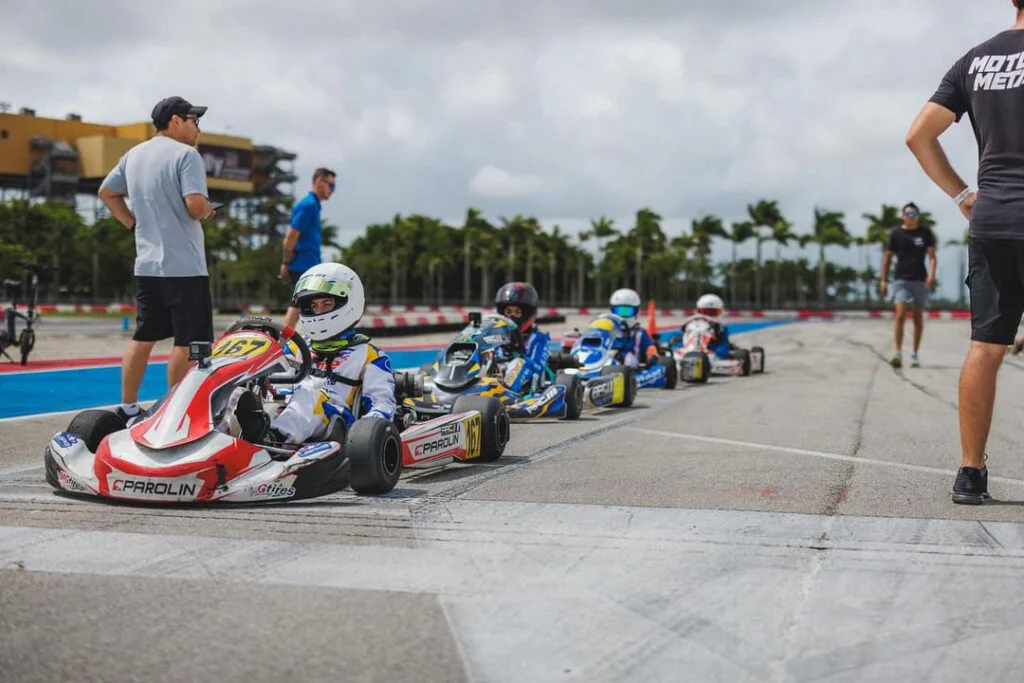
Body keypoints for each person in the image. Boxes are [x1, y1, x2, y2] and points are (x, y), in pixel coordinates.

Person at [905, 0, 1024, 504]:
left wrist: (961, 196)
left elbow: (917, 135)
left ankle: (970, 472)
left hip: (993, 219)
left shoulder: (975, 60)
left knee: (986, 347)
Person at [97, 96, 217, 425]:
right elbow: (194, 205)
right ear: (177, 121)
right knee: (188, 341)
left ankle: (128, 407)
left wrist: (132, 223)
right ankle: (175, 411)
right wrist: (208, 210)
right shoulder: (187, 156)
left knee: (144, 337)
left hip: (148, 264)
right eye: (194, 120)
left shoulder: (134, 155)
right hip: (186, 267)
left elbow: (107, 192)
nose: (198, 128)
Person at [262, 262, 396, 445]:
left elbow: (382, 404)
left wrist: (367, 435)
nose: (318, 311)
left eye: (327, 304)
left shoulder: (369, 355)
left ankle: (272, 441)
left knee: (310, 394)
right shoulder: (296, 348)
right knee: (240, 392)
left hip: (338, 423)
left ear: (348, 303)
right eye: (313, 306)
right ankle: (219, 443)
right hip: (286, 410)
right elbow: (277, 386)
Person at [878, 202, 937, 369]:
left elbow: (932, 256)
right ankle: (897, 353)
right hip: (900, 279)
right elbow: (887, 257)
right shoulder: (896, 233)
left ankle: (914, 354)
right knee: (900, 315)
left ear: (918, 215)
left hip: (919, 279)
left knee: (918, 318)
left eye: (914, 213)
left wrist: (932, 274)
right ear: (902, 215)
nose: (911, 216)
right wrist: (883, 280)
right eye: (908, 213)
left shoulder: (925, 232)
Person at [279, 168, 336, 328]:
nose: (332, 191)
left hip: (309, 264)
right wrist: (285, 262)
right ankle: (283, 343)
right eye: (331, 186)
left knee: (302, 304)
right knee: (298, 305)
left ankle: (289, 341)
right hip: (302, 265)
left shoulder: (314, 206)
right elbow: (291, 235)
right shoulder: (308, 205)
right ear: (319, 182)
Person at [493, 282, 551, 389]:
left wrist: (518, 354)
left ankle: (507, 393)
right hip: (497, 372)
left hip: (524, 377)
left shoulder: (539, 336)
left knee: (518, 363)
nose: (511, 316)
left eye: (517, 312)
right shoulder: (496, 333)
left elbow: (537, 366)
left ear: (526, 314)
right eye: (508, 312)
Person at [608, 288, 659, 367]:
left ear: (636, 311)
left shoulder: (639, 333)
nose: (622, 315)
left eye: (627, 311)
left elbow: (650, 347)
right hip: (607, 360)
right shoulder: (608, 330)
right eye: (619, 311)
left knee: (627, 358)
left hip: (629, 366)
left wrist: (652, 355)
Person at [681, 294, 733, 359]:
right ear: (698, 311)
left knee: (722, 351)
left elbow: (723, 342)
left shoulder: (721, 327)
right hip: (689, 345)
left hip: (711, 347)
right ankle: (690, 352)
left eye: (712, 312)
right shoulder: (691, 322)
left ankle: (704, 356)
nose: (708, 316)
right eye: (705, 312)